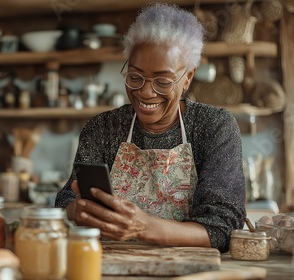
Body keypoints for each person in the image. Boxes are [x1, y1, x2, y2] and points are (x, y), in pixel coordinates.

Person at [55, 2, 245, 253]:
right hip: (110, 265)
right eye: (135, 77)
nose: (145, 91)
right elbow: (66, 200)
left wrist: (144, 227)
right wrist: (77, 210)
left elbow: (222, 229)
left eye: (163, 81)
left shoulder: (214, 126)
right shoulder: (103, 128)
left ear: (187, 77)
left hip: (189, 269)